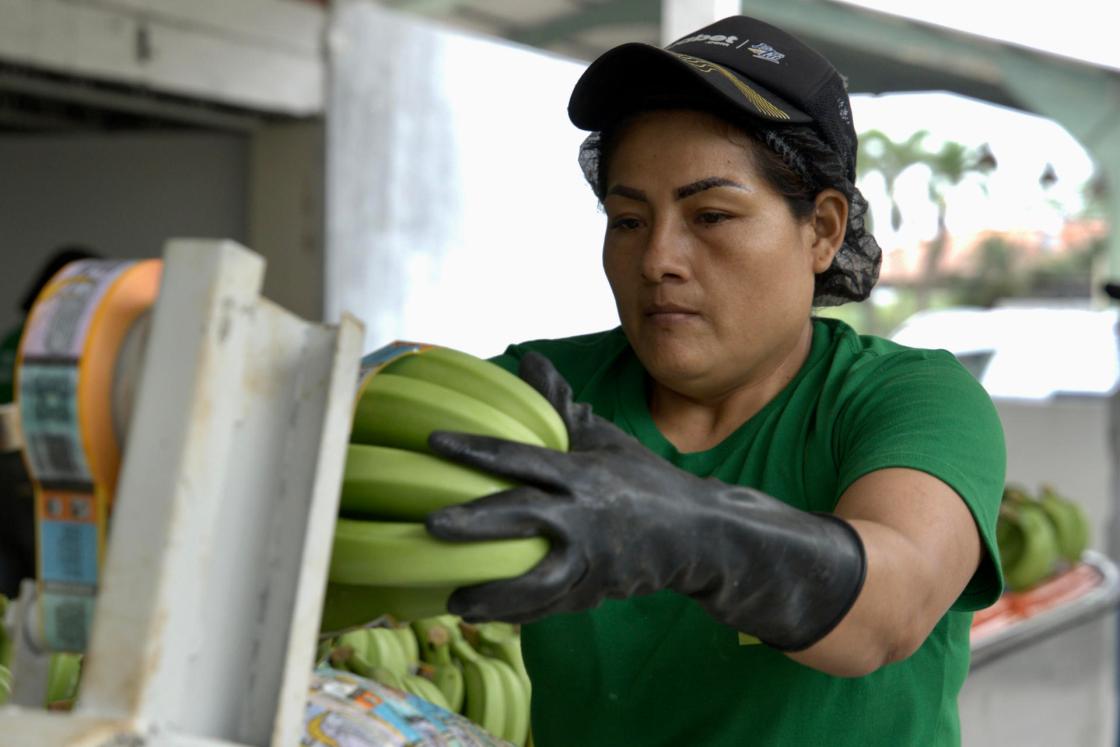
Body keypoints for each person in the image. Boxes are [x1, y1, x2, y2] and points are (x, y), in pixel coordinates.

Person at [424, 16, 1005, 746]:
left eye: (712, 214)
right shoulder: (539, 394)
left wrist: (688, 533)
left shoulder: (907, 400)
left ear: (823, 229)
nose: (658, 257)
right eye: (629, 219)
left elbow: (890, 608)